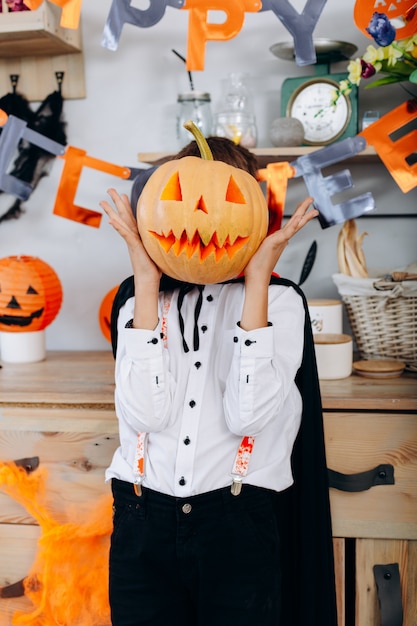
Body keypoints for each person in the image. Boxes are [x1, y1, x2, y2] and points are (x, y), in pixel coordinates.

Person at [100, 137, 337, 626]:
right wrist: (145, 280)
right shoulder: (137, 301)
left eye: (227, 199)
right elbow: (145, 415)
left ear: (252, 210)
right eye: (184, 196)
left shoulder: (281, 303)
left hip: (237, 524)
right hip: (141, 524)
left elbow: (246, 416)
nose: (203, 215)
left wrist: (256, 284)